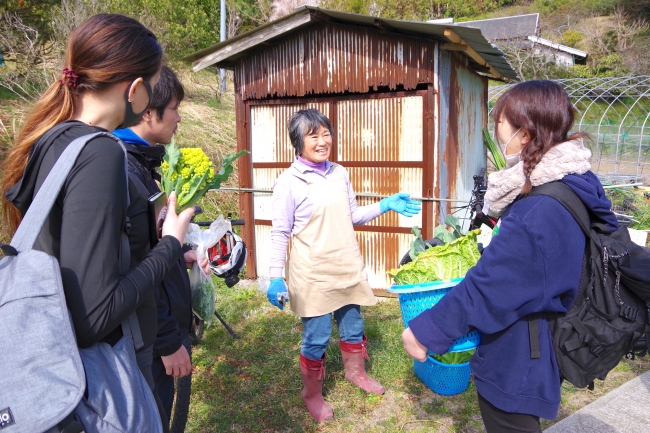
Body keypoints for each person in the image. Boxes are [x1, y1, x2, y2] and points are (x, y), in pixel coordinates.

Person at [1, 14, 194, 431]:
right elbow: (95, 314)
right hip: (98, 383)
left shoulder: (52, 138)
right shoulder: (100, 153)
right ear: (136, 89)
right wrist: (170, 245)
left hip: (50, 365)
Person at [401, 80, 618, 433]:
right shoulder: (574, 183)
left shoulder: (539, 210)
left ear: (524, 134)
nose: (497, 134)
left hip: (520, 350)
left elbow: (492, 286)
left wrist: (427, 331)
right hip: (545, 335)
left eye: (499, 124)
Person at [266, 108, 422, 422]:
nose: (323, 141)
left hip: (346, 265)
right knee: (318, 335)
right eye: (314, 136)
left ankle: (356, 373)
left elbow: (352, 216)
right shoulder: (289, 182)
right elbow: (280, 231)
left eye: (326, 133)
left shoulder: (339, 172)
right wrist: (274, 276)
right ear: (298, 142)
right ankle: (311, 393)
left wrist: (385, 204)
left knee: (354, 326)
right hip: (312, 273)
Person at [112, 65, 209, 427]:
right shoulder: (123, 172)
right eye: (174, 109)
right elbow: (131, 271)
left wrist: (176, 254)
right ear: (147, 111)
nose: (179, 118)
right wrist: (167, 342)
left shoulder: (140, 164)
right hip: (148, 343)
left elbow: (147, 250)